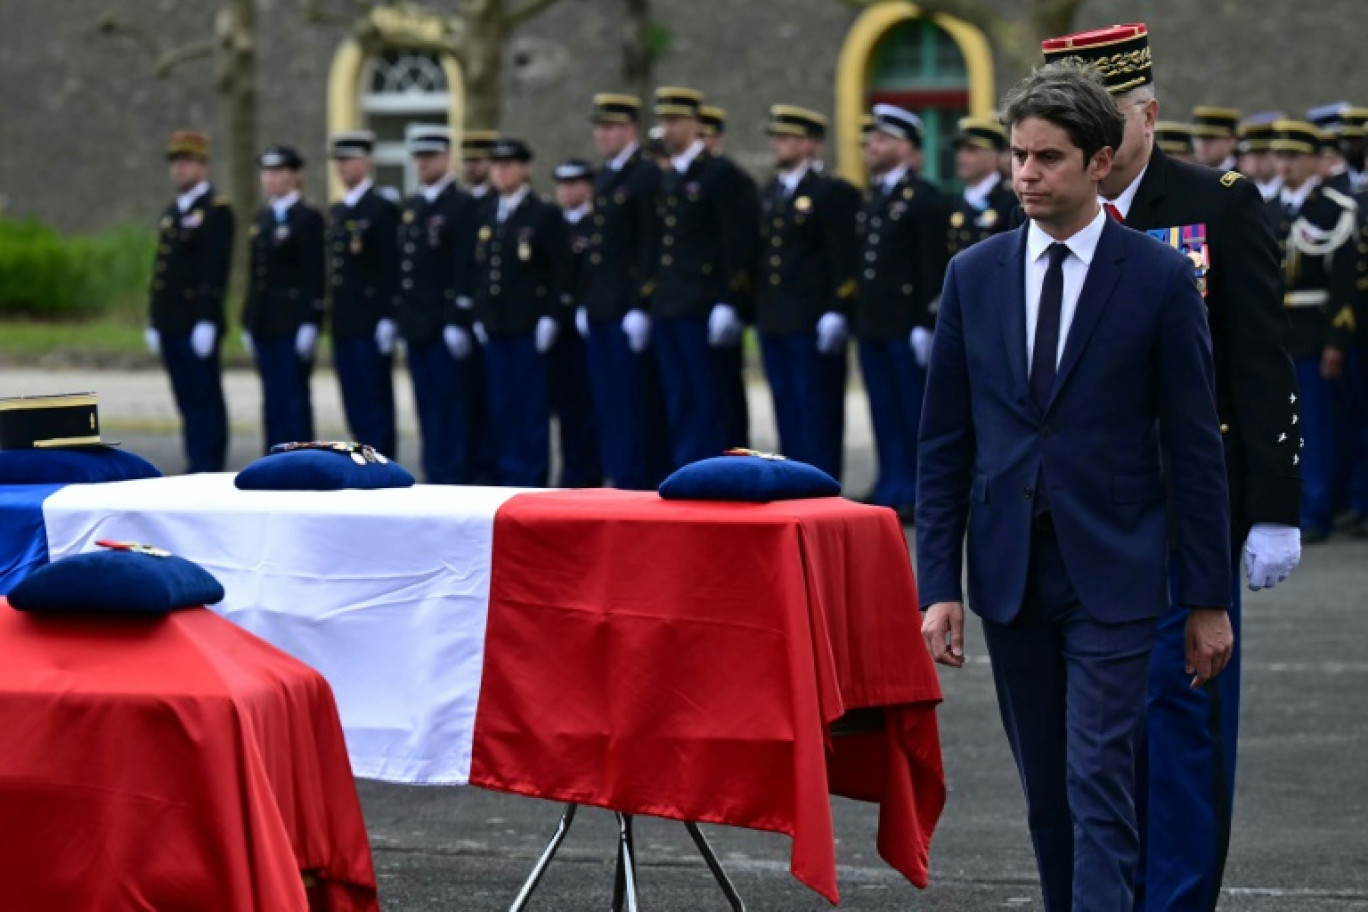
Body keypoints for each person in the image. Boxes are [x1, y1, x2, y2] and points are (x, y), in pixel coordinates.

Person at [918, 59, 1234, 912]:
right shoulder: (973, 276)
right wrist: (937, 585)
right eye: (1018, 155)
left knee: (1100, 776)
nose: (1025, 174)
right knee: (1049, 795)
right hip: (1012, 573)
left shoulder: (1162, 279)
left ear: (1100, 162)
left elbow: (1196, 448)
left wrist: (1208, 598)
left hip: (1119, 571)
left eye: (1047, 157)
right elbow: (944, 443)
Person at [1040, 24, 1302, 911]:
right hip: (1082, 511)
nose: (1095, 144)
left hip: (1187, 501)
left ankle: (1178, 898)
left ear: (1148, 113)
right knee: (1092, 727)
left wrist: (1274, 504)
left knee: (1178, 712)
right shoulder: (1052, 203)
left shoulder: (1217, 202)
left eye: (1107, 119)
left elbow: (1261, 360)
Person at [854, 104, 949, 519]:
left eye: (880, 140)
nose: (871, 147)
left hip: (907, 324)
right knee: (883, 409)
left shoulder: (924, 199)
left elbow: (934, 265)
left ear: (904, 145)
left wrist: (928, 321)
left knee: (913, 412)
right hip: (875, 322)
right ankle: (889, 481)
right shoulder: (877, 195)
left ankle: (914, 488)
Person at [647, 87, 751, 467]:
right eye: (663, 122)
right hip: (671, 301)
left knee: (711, 397)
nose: (667, 130)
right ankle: (687, 467)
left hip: (704, 303)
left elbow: (736, 242)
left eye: (674, 121)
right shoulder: (669, 177)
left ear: (694, 124)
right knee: (679, 395)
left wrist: (729, 299)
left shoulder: (720, 175)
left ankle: (717, 471)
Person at [753, 105, 858, 477]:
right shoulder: (773, 191)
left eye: (787, 139)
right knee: (786, 403)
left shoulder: (830, 192)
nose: (777, 146)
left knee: (817, 405)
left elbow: (842, 255)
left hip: (812, 316)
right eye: (777, 138)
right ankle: (794, 476)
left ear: (809, 145)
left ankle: (820, 477)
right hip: (776, 316)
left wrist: (837, 307)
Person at [1267, 119, 1358, 542]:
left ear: (1312, 162)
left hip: (1311, 331)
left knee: (1313, 428)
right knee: (1274, 425)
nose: (1285, 164)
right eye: (1280, 155)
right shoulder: (1260, 207)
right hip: (1270, 334)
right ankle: (1280, 506)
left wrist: (1335, 341)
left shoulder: (1332, 209)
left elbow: (1341, 284)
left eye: (1294, 156)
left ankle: (1316, 509)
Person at [579, 93, 668, 489]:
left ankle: (636, 477)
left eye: (611, 127)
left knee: (633, 401)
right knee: (608, 400)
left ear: (630, 130)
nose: (603, 134)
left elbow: (649, 243)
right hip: (602, 305)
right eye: (599, 127)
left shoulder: (645, 175)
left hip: (626, 306)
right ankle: (619, 472)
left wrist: (640, 303)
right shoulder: (606, 176)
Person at [469, 138, 568, 487]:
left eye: (509, 164)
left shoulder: (542, 213)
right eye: (496, 165)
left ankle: (531, 476)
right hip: (495, 324)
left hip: (528, 323)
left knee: (530, 408)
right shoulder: (486, 213)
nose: (501, 171)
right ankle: (506, 474)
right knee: (502, 404)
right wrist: (479, 314)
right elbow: (480, 271)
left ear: (525, 168)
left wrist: (551, 316)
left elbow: (559, 271)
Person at [396, 126, 482, 484]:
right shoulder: (413, 207)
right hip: (417, 323)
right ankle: (435, 472)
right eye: (419, 158)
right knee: (426, 405)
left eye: (430, 157)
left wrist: (457, 318)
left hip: (444, 322)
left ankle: (454, 474)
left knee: (452, 406)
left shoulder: (461, 205)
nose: (423, 164)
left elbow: (463, 265)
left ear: (447, 159)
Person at [147, 130, 233, 473]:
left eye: (187, 162)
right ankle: (194, 459)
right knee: (184, 397)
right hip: (171, 320)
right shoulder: (173, 211)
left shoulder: (215, 210)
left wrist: (208, 319)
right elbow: (162, 272)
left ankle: (208, 464)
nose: (179, 169)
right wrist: (154, 318)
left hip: (197, 320)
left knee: (204, 397)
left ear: (203, 166)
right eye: (176, 163)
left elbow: (215, 269)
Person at [241, 145, 324, 450]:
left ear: (294, 176)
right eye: (267, 173)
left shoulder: (307, 218)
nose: (270, 179)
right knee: (271, 399)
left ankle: (299, 459)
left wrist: (311, 320)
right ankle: (274, 456)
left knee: (294, 398)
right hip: (265, 321)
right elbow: (256, 274)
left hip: (292, 321)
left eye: (278, 172)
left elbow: (314, 273)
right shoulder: (263, 218)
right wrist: (249, 320)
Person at [327, 130, 400, 459]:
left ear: (366, 162)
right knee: (353, 400)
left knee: (375, 402)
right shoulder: (339, 212)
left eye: (349, 160)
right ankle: (364, 460)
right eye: (339, 161)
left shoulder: (381, 209)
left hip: (371, 320)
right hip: (345, 321)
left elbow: (390, 265)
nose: (342, 168)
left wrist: (388, 315)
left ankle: (382, 464)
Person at [699, 103, 758, 451]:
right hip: (692, 300)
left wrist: (732, 299)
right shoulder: (692, 179)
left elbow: (741, 243)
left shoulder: (728, 178)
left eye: (707, 135)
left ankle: (732, 455)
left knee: (723, 394)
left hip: (719, 300)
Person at [550, 158, 603, 487]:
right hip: (559, 330)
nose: (567, 191)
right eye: (563, 185)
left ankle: (589, 472)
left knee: (589, 406)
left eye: (574, 184)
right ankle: (571, 471)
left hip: (586, 328)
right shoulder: (554, 224)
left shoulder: (594, 225)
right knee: (565, 408)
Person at [947, 116, 1018, 257]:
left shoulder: (1011, 200)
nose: (962, 157)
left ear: (995, 155)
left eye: (971, 150)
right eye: (960, 150)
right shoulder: (954, 202)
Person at [1238, 113, 1284, 200]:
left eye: (1262, 153)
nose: (1256, 160)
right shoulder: (1242, 190)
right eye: (1252, 153)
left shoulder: (1289, 189)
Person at [1191, 106, 1241, 171]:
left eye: (1210, 139)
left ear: (1231, 141)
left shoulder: (1244, 177)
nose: (1203, 144)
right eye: (1199, 138)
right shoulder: (1190, 174)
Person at [461, 130, 500, 203]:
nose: (470, 166)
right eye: (466, 160)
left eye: (476, 161)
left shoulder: (499, 196)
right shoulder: (458, 197)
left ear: (491, 162)